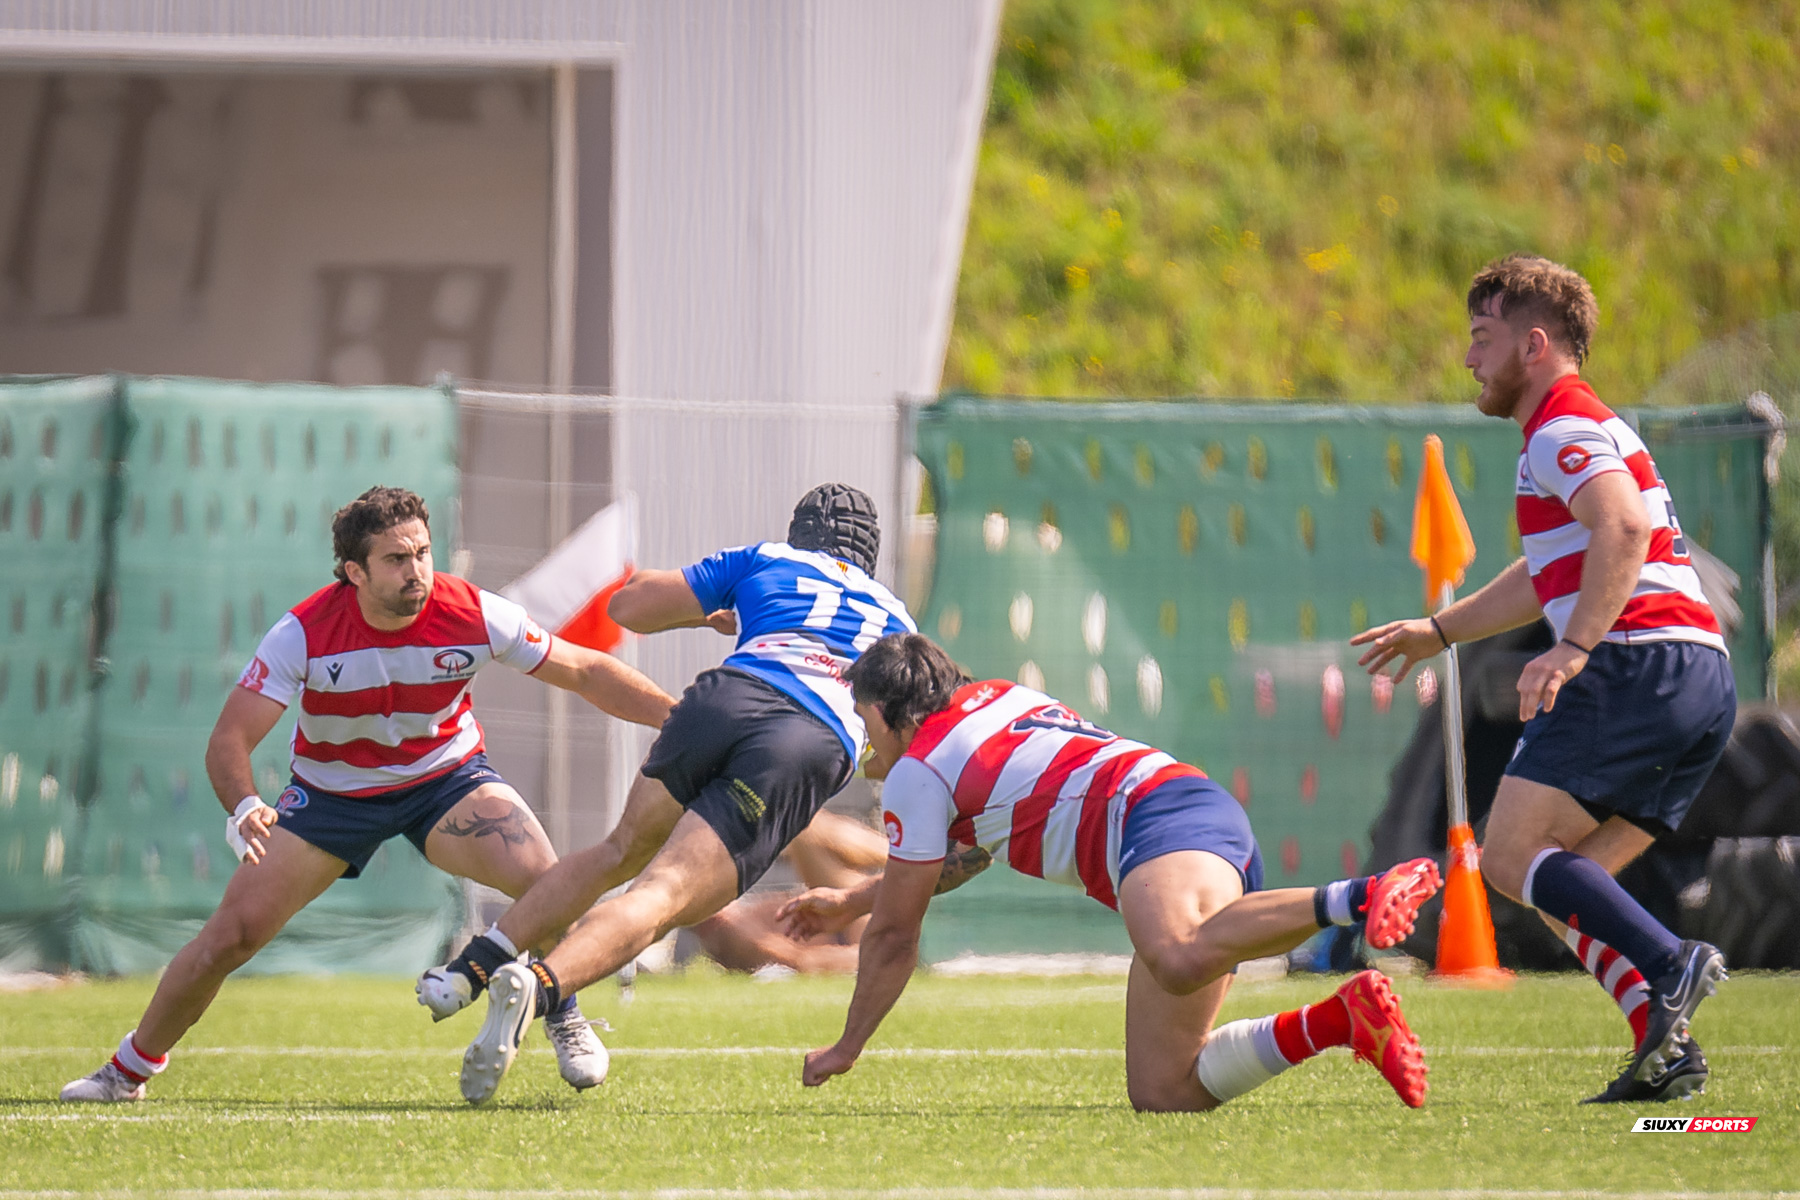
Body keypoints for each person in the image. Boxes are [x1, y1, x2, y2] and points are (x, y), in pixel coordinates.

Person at [58, 486, 674, 1103]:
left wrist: (679, 719)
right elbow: (229, 740)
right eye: (396, 560)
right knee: (230, 937)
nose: (417, 571)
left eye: (424, 553)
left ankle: (558, 1005)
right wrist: (245, 805)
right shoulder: (302, 633)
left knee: (547, 884)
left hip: (446, 780)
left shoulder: (474, 613)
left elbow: (587, 670)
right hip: (332, 797)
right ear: (354, 571)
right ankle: (125, 1073)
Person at [1352, 254, 1734, 1103]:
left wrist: (1572, 650)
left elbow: (1623, 529)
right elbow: (1547, 569)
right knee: (1567, 888)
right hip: (1698, 673)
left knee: (1509, 854)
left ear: (1534, 344)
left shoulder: (1559, 430)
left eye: (1481, 340)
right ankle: (1666, 1052)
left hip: (1639, 661)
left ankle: (1673, 963)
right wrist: (1440, 630)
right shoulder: (1588, 428)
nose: (1468, 360)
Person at [787, 633, 1440, 1113]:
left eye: (862, 714)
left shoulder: (918, 771)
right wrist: (851, 901)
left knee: (1179, 956)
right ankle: (1341, 1020)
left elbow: (897, 935)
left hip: (1157, 820)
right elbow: (966, 858)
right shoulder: (993, 701)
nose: (859, 732)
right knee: (1165, 1090)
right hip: (1185, 814)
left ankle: (1365, 892)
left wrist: (848, 1045)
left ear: (890, 714)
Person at [418, 483, 917, 1103]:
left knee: (618, 851)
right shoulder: (898, 621)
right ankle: (541, 986)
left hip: (726, 695)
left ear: (801, 535)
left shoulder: (769, 559)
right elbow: (897, 744)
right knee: (661, 896)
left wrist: (712, 613)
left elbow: (629, 606)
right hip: (805, 738)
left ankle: (474, 966)